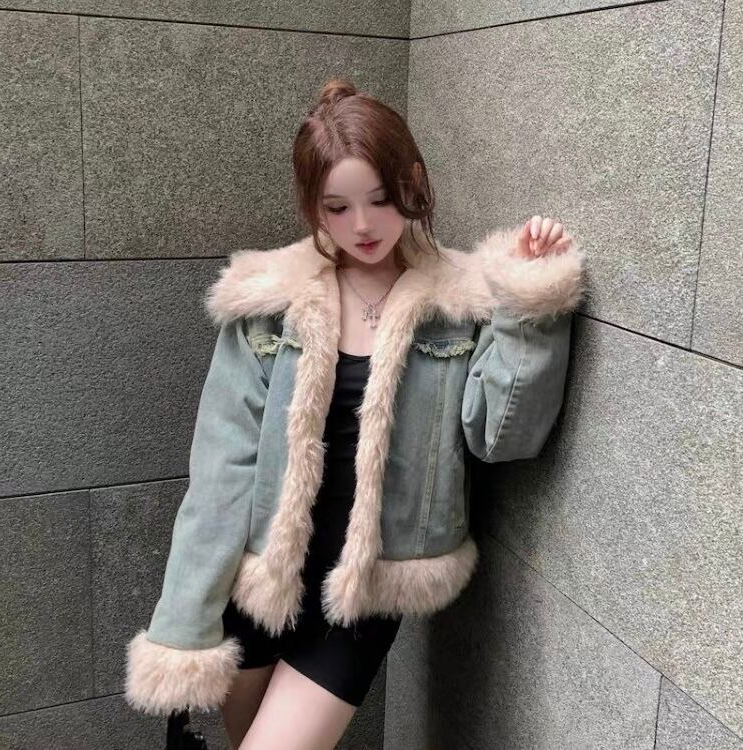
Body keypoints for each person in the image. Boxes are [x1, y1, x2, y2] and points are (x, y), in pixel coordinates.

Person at [123, 77, 586, 750]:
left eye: (380, 199)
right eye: (337, 208)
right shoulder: (268, 304)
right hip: (259, 584)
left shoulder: (457, 302)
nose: (362, 226)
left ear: (413, 181)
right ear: (312, 204)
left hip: (364, 595)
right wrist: (184, 631)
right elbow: (220, 478)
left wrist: (529, 300)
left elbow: (501, 436)